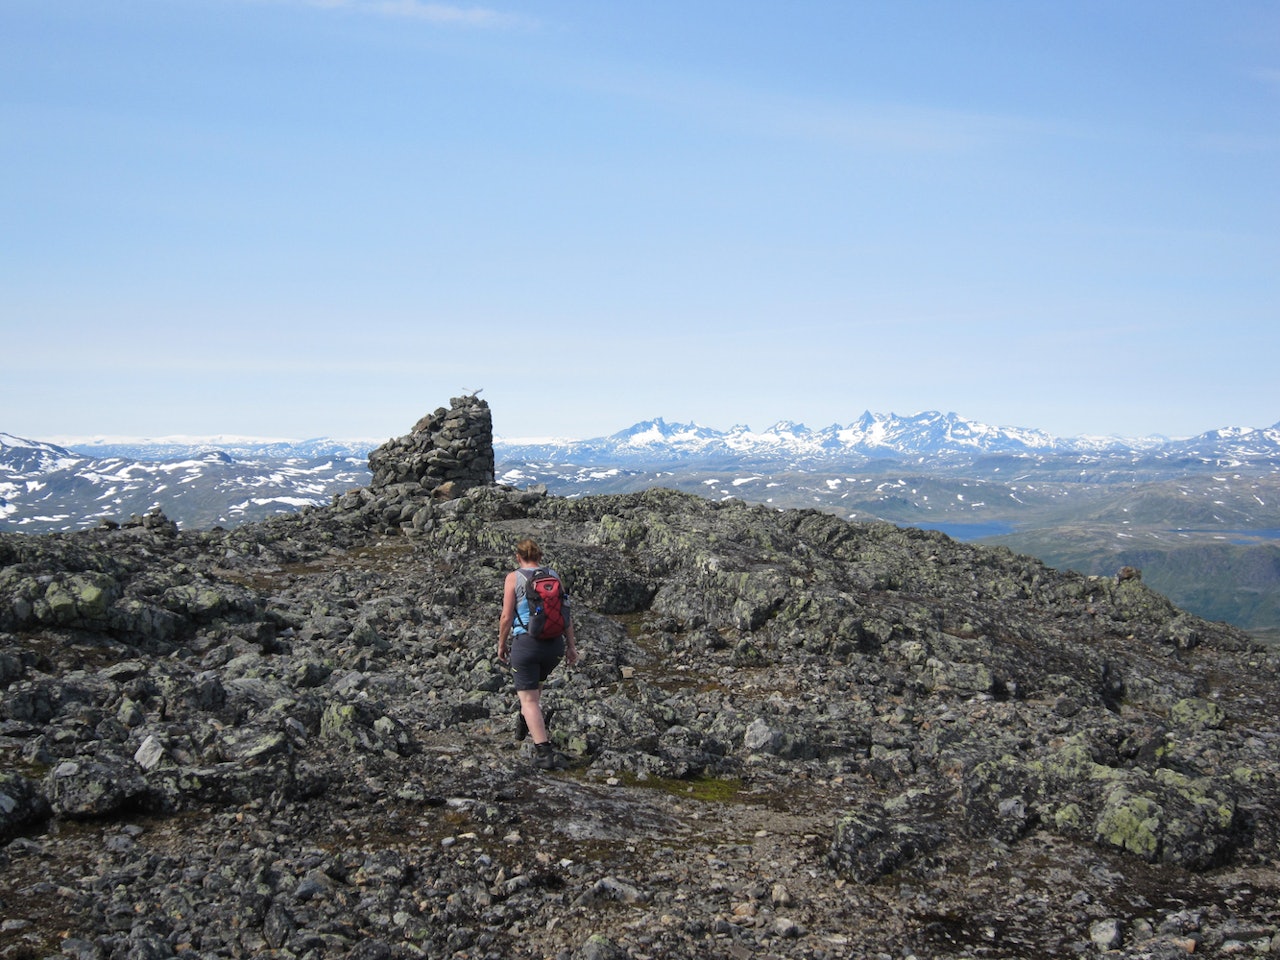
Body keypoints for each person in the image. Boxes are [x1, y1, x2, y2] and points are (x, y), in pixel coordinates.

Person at [498, 538, 578, 769]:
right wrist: (571, 647)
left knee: (529, 700)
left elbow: (506, 617)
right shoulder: (553, 576)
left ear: (518, 557)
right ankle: (525, 720)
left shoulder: (514, 578)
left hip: (527, 644)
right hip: (553, 646)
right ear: (540, 556)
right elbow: (566, 615)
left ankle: (544, 752)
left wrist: (502, 645)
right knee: (535, 690)